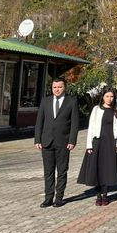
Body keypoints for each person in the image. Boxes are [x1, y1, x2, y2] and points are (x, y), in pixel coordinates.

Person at [34, 77, 80, 208]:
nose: (57, 89)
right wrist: (37, 139)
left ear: (64, 87)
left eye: (59, 87)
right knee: (48, 172)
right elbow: (39, 122)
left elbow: (75, 124)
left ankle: (59, 197)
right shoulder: (45, 101)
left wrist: (72, 140)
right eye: (54, 87)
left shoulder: (72, 102)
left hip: (63, 142)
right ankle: (48, 197)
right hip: (46, 141)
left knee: (62, 171)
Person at [77, 87, 117, 206]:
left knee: (107, 169)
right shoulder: (96, 109)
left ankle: (105, 195)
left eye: (112, 96)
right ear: (103, 97)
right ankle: (98, 196)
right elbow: (91, 127)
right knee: (97, 168)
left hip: (110, 142)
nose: (109, 99)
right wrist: (89, 145)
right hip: (97, 142)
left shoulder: (116, 110)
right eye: (107, 96)